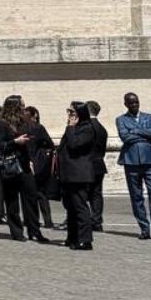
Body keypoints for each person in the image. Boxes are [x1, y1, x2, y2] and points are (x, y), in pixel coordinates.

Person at [0, 95, 48, 243]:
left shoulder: (24, 122)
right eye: (21, 105)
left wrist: (32, 158)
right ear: (14, 107)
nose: (24, 108)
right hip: (10, 166)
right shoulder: (1, 124)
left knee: (31, 199)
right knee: (12, 200)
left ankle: (34, 231)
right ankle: (16, 231)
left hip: (25, 165)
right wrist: (14, 142)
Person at [116, 92, 151, 242]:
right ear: (126, 104)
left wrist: (136, 130)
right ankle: (144, 228)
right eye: (131, 103)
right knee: (136, 196)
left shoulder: (150, 117)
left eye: (136, 102)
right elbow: (125, 137)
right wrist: (145, 135)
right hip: (131, 161)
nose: (134, 105)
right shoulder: (120, 119)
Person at [58, 102, 95, 250]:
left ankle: (85, 240)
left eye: (73, 113)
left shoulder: (87, 129)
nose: (70, 117)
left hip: (79, 175)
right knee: (71, 208)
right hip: (69, 174)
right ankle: (72, 237)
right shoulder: (74, 128)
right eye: (69, 113)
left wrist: (71, 127)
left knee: (80, 207)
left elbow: (74, 145)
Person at [24, 105, 57, 229]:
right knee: (41, 194)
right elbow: (49, 143)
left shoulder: (20, 128)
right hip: (38, 163)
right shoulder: (38, 127)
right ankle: (48, 221)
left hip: (24, 162)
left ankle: (30, 220)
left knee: (28, 194)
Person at [86, 100, 108, 231]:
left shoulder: (87, 127)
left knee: (81, 194)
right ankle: (97, 220)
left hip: (86, 164)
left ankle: (83, 220)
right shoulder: (102, 129)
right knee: (96, 194)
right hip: (99, 163)